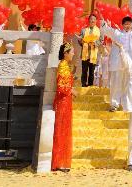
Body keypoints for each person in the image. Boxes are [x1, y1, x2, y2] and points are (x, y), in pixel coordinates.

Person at [101, 17, 132, 111]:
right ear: (122, 25)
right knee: (116, 84)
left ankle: (125, 104)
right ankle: (114, 104)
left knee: (128, 84)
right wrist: (103, 22)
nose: (127, 26)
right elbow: (107, 30)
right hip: (118, 64)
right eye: (125, 24)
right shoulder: (117, 33)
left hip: (130, 65)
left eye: (129, 24)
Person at [51, 42, 75, 172]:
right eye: (71, 52)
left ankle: (61, 162)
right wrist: (71, 90)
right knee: (61, 130)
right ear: (65, 53)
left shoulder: (65, 65)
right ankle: (59, 163)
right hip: (63, 101)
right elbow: (61, 86)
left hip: (66, 101)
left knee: (64, 129)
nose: (73, 54)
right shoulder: (62, 66)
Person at [79, 14, 101, 87]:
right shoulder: (84, 30)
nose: (92, 20)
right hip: (85, 53)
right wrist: (81, 41)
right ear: (88, 20)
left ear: (96, 21)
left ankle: (90, 86)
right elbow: (80, 39)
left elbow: (101, 40)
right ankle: (83, 85)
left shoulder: (99, 31)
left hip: (94, 53)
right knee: (84, 71)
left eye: (94, 19)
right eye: (91, 19)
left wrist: (94, 43)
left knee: (92, 72)